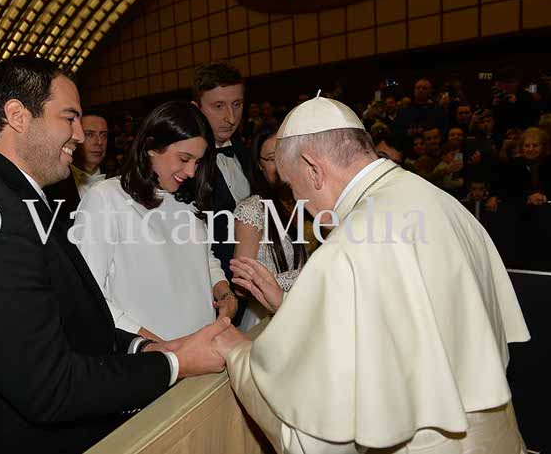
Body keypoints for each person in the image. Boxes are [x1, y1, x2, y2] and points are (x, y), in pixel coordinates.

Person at [0, 56, 230, 454]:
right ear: (18, 116)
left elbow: (76, 320)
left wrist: (149, 349)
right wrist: (175, 364)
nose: (79, 134)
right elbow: (47, 386)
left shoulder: (22, 202)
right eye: (69, 117)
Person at [213, 95, 530, 454]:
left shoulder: (347, 248)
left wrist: (238, 354)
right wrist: (289, 304)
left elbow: (313, 441)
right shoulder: (440, 201)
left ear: (313, 168)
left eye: (291, 184)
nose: (297, 200)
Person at [74, 101, 237, 341]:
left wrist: (224, 291)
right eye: (184, 158)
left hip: (203, 346)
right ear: (151, 147)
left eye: (198, 162)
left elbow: (203, 258)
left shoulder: (188, 199)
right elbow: (89, 294)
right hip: (149, 355)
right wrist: (157, 347)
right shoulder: (106, 198)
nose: (191, 172)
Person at [192, 62, 252, 325]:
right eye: (218, 106)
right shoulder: (186, 168)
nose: (230, 117)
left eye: (237, 104)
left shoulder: (245, 154)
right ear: (196, 109)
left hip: (251, 288)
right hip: (208, 294)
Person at [232, 130, 307, 331]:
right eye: (273, 158)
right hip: (265, 317)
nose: (281, 165)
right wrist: (305, 276)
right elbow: (241, 283)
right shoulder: (253, 208)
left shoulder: (305, 203)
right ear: (259, 164)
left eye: (286, 155)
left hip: (303, 310)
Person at [45, 111, 108, 228]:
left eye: (104, 135)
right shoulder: (52, 185)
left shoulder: (122, 182)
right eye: (89, 134)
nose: (99, 142)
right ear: (76, 137)